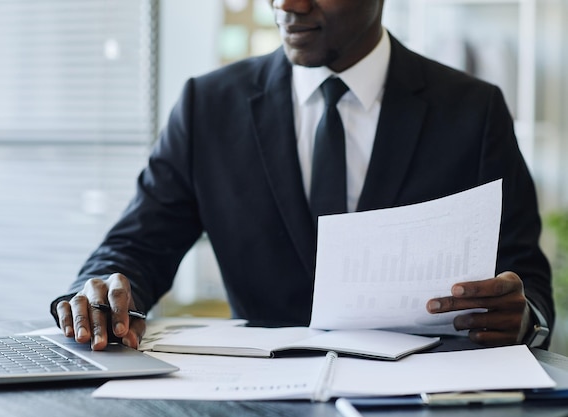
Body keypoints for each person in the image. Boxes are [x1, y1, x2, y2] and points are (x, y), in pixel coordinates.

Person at [51, 0, 554, 351]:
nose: (288, 4)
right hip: (257, 395)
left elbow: (526, 281)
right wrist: (99, 291)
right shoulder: (208, 107)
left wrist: (522, 316)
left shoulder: (472, 110)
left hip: (416, 397)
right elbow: (137, 248)